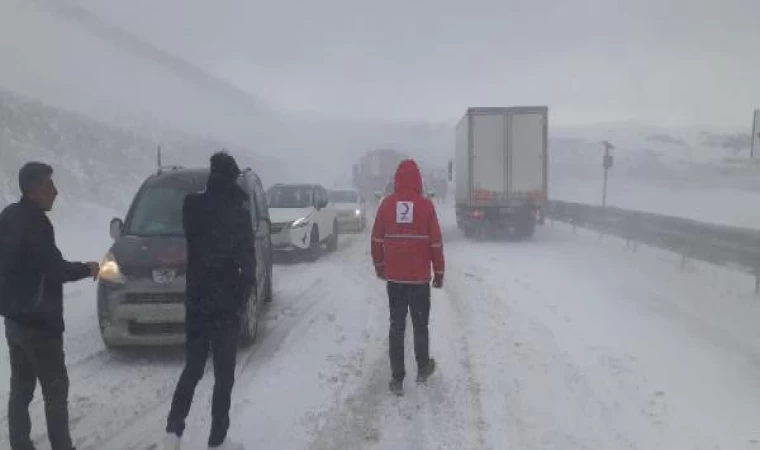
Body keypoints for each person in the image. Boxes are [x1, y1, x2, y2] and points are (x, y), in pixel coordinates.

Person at [0, 162, 100, 450]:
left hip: (14, 321)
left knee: (20, 388)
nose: (56, 192)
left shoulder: (8, 216)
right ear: (34, 190)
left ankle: (19, 444)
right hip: (40, 325)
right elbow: (55, 269)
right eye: (49, 186)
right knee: (56, 392)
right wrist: (89, 268)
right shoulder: (37, 225)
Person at [164, 151, 255, 450]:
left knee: (192, 368)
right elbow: (248, 266)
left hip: (197, 302)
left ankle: (172, 434)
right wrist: (241, 300)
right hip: (226, 306)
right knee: (223, 376)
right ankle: (217, 440)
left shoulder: (192, 206)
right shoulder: (240, 213)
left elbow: (195, 244)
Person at [371, 159, 445, 396]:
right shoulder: (426, 207)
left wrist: (380, 266)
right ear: (418, 181)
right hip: (419, 281)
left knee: (397, 326)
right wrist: (439, 272)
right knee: (420, 324)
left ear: (396, 180)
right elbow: (435, 242)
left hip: (395, 281)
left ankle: (397, 378)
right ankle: (423, 367)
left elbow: (376, 240)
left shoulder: (386, 205)